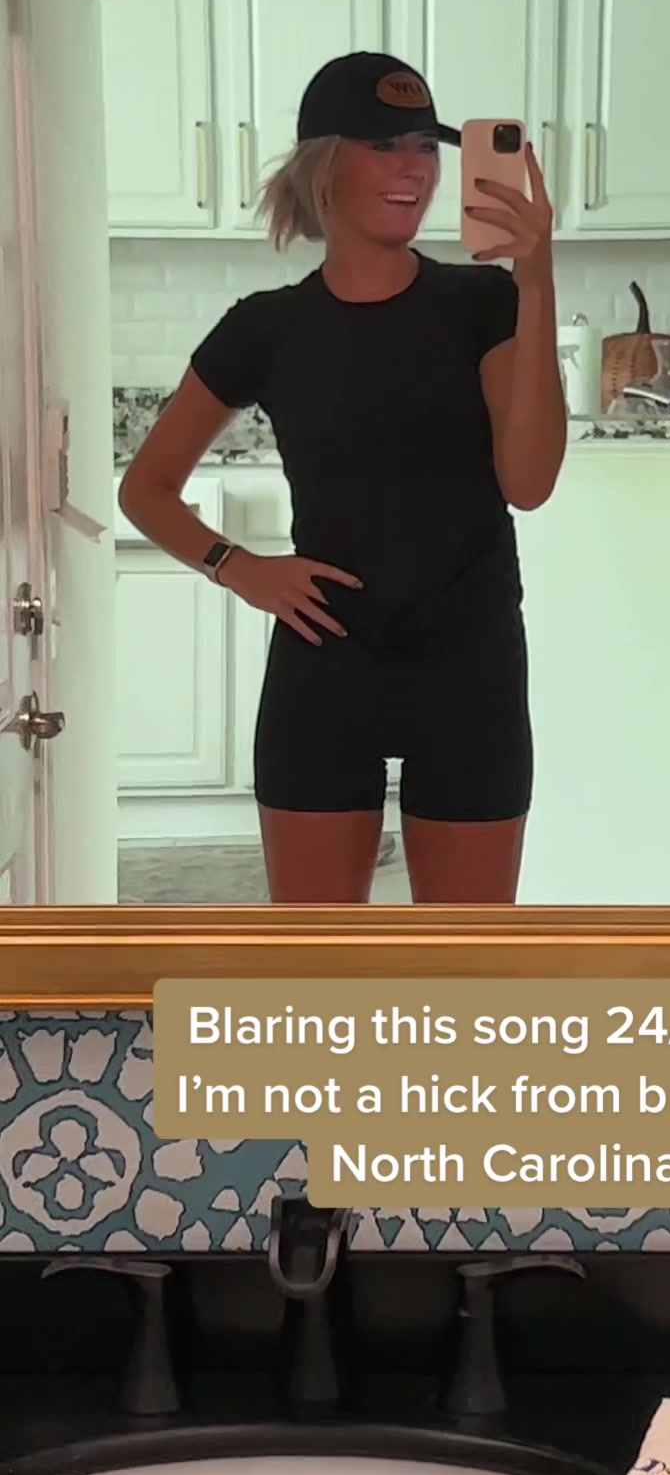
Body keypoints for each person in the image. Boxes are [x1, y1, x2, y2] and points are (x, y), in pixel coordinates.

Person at [118, 52, 567, 906]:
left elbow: (530, 482)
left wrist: (536, 280)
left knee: (467, 962)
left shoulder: (484, 303)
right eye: (383, 145)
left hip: (467, 665)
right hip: (325, 665)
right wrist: (237, 568)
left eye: (425, 146)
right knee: (316, 960)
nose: (413, 168)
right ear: (323, 165)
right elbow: (145, 489)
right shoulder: (268, 328)